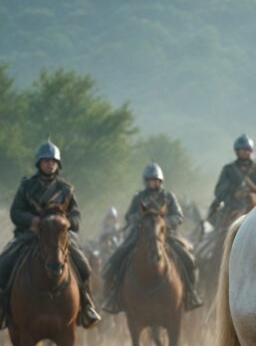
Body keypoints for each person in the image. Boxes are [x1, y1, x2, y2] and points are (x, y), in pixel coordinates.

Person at [0, 139, 101, 328]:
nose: (50, 164)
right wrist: (33, 221)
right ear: (39, 163)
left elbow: (76, 215)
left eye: (53, 161)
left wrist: (65, 223)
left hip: (60, 237)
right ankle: (3, 307)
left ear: (58, 164)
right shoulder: (27, 186)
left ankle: (86, 304)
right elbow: (15, 212)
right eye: (46, 161)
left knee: (84, 267)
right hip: (30, 236)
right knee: (3, 264)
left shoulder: (66, 190)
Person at [102, 163, 203, 313]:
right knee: (116, 260)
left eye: (155, 180)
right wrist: (139, 219)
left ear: (160, 181)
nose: (152, 183)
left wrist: (162, 222)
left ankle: (190, 294)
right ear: (145, 181)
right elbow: (128, 216)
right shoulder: (139, 197)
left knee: (188, 260)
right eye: (150, 180)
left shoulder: (168, 197)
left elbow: (178, 216)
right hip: (140, 237)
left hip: (166, 236)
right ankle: (113, 297)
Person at [207, 134, 256, 228]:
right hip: (231, 209)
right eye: (243, 150)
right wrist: (234, 194)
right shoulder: (228, 169)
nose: (245, 152)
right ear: (237, 151)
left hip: (254, 210)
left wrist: (255, 190)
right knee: (219, 233)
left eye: (247, 150)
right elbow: (219, 192)